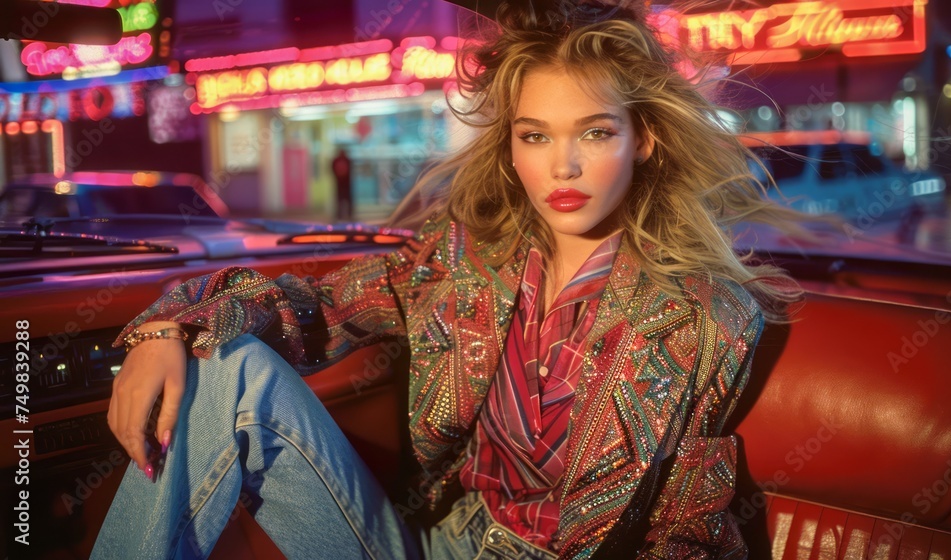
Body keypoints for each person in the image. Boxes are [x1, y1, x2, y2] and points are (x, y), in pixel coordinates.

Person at [93, 1, 803, 558]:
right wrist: (167, 327)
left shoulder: (707, 316)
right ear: (511, 145)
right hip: (431, 541)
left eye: (594, 133)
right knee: (226, 367)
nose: (563, 167)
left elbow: (686, 530)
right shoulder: (462, 258)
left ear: (642, 138)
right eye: (536, 136)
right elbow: (316, 305)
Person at [332, 148, 353, 220]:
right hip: (342, 184)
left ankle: (344, 214)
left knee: (343, 200)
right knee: (341, 200)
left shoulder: (340, 160)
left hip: (343, 183)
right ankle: (341, 214)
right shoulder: (346, 160)